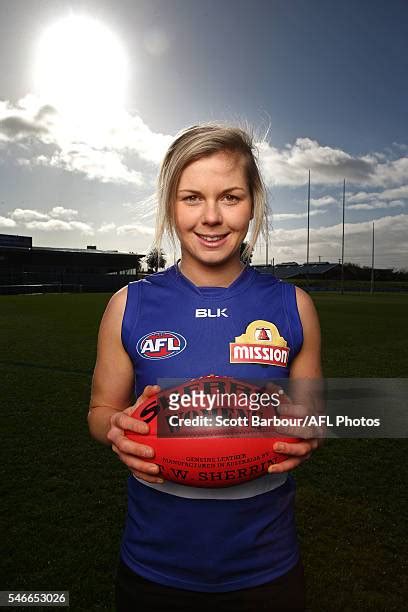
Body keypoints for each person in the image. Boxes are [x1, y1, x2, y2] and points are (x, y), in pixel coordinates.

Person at [88, 124, 322, 611]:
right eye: (192, 198)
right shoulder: (127, 305)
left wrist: (311, 427)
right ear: (171, 205)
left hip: (267, 568)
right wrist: (116, 426)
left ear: (253, 202)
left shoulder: (293, 306)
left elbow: (315, 412)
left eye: (230, 197)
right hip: (154, 568)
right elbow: (99, 409)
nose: (212, 217)